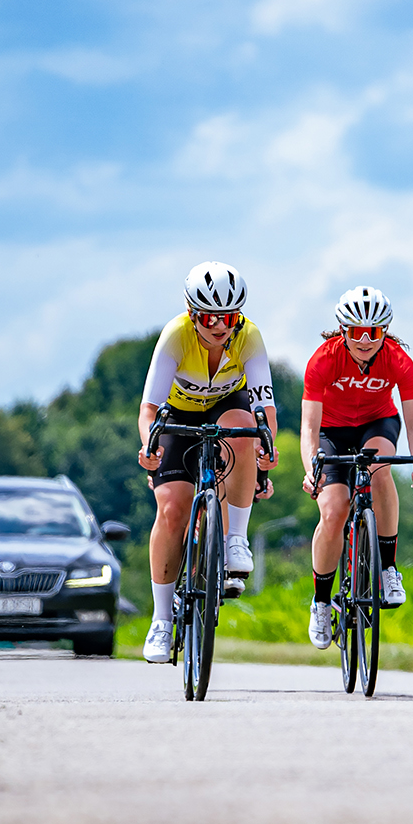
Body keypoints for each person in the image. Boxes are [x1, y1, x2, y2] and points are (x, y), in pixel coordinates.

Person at [135, 261, 280, 664]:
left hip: (227, 406)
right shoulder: (176, 335)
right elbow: (149, 409)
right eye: (208, 317)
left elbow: (265, 408)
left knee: (245, 429)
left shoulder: (248, 337)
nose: (219, 326)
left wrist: (265, 451)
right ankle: (161, 619)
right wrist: (149, 446)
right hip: (177, 417)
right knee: (172, 508)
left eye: (228, 317)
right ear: (191, 313)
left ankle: (235, 539)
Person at [299, 286, 413, 649]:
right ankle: (321, 602)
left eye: (373, 332)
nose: (364, 340)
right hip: (330, 431)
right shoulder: (323, 359)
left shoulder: (398, 360)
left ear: (384, 331)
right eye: (356, 331)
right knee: (333, 511)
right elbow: (309, 426)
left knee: (381, 468)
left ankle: (388, 568)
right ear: (343, 329)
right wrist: (312, 469)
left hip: (377, 423)